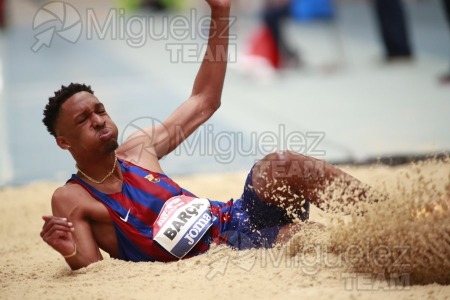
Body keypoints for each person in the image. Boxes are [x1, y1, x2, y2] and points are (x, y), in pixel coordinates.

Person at [40, 0, 370, 270]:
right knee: (305, 235)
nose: (99, 120)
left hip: (235, 216)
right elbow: (94, 271)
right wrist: (70, 253)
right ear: (64, 142)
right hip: (221, 250)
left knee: (280, 164)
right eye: (84, 119)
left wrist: (220, 13)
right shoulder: (72, 198)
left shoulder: (139, 149)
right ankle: (384, 248)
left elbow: (204, 100)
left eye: (100, 110)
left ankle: (387, 215)